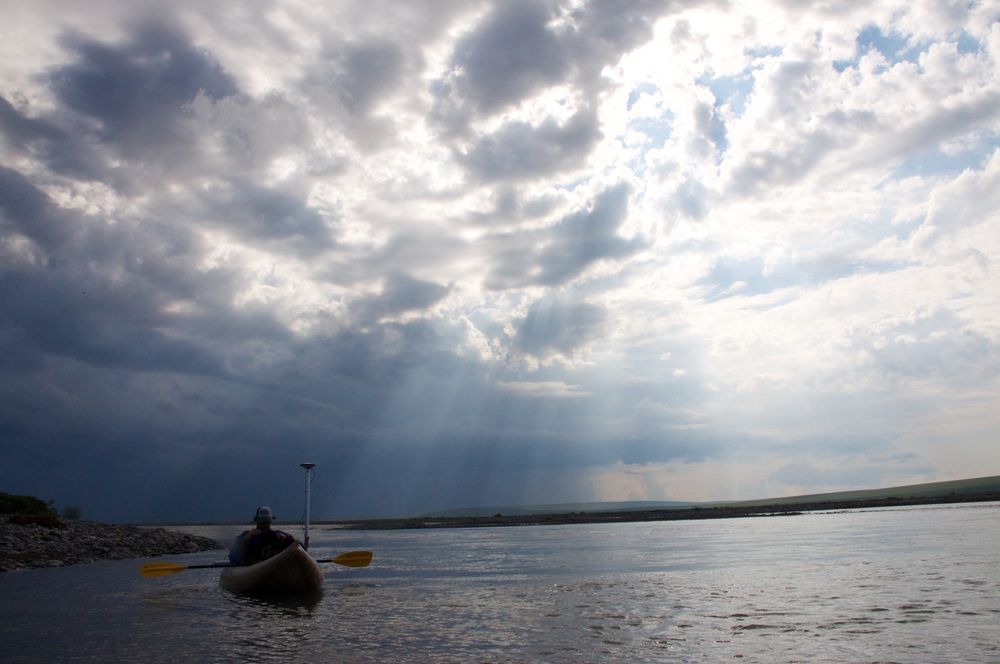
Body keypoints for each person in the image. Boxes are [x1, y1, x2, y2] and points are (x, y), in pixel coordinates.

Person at [228, 506, 296, 565]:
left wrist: (286, 537)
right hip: (252, 565)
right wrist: (246, 538)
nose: (264, 525)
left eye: (266, 522)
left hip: (272, 565)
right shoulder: (248, 535)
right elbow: (233, 558)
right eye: (262, 522)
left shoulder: (278, 535)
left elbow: (296, 545)